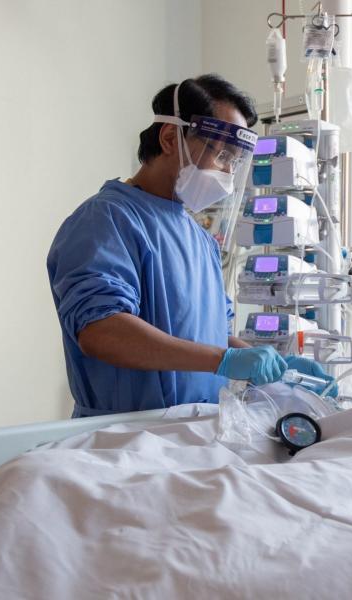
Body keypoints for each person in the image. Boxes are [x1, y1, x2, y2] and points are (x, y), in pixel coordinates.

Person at [47, 74, 330, 417]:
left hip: (193, 432)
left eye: (235, 162)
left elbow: (209, 337)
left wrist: (276, 367)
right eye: (223, 154)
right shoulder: (105, 221)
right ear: (170, 138)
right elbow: (102, 332)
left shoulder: (201, 240)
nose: (227, 172)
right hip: (121, 438)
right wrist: (224, 361)